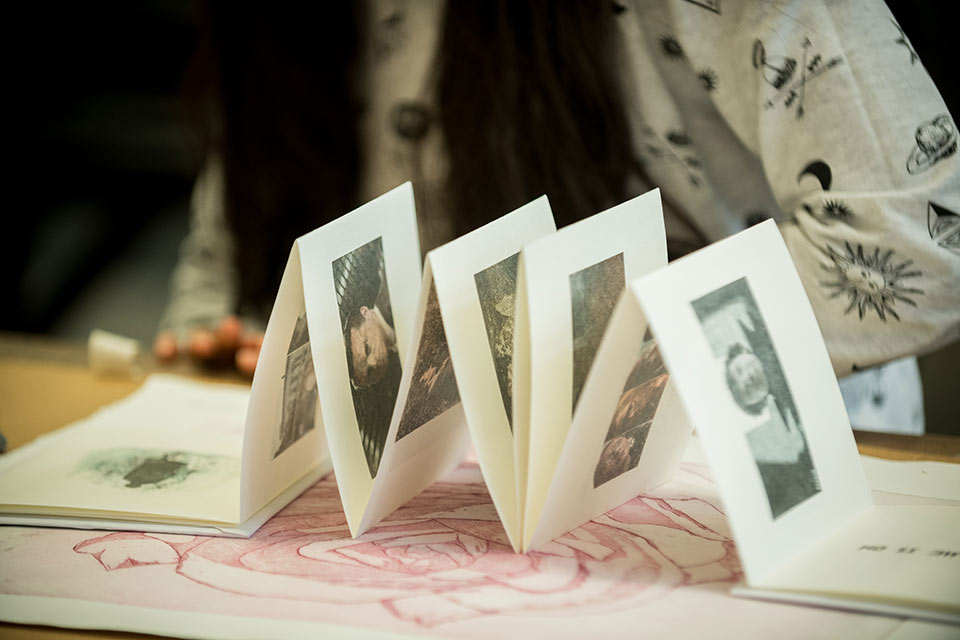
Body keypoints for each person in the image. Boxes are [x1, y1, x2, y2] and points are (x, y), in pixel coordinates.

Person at [154, 0, 959, 383]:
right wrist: (242, 368)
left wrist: (545, 349)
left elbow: (921, 249)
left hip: (730, 483)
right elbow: (227, 263)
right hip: (404, 519)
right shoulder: (278, 28)